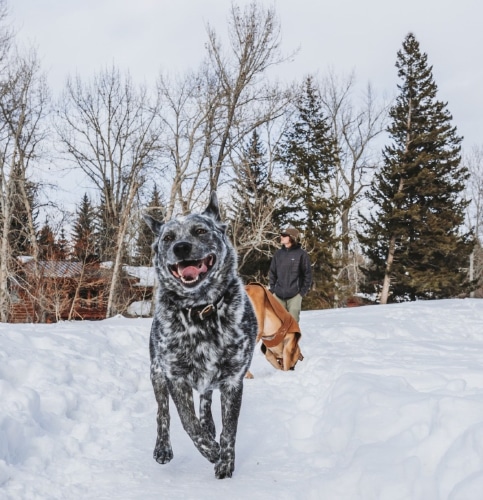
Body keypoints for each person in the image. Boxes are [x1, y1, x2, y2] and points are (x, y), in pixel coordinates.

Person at [268, 225, 312, 323]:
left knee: (292, 324)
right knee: (277, 323)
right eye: (281, 235)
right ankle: (280, 339)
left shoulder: (301, 254)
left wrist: (302, 293)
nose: (281, 237)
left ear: (291, 237)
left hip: (295, 295)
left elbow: (307, 275)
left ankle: (292, 339)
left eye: (284, 235)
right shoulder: (278, 254)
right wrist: (273, 289)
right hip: (278, 295)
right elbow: (272, 273)